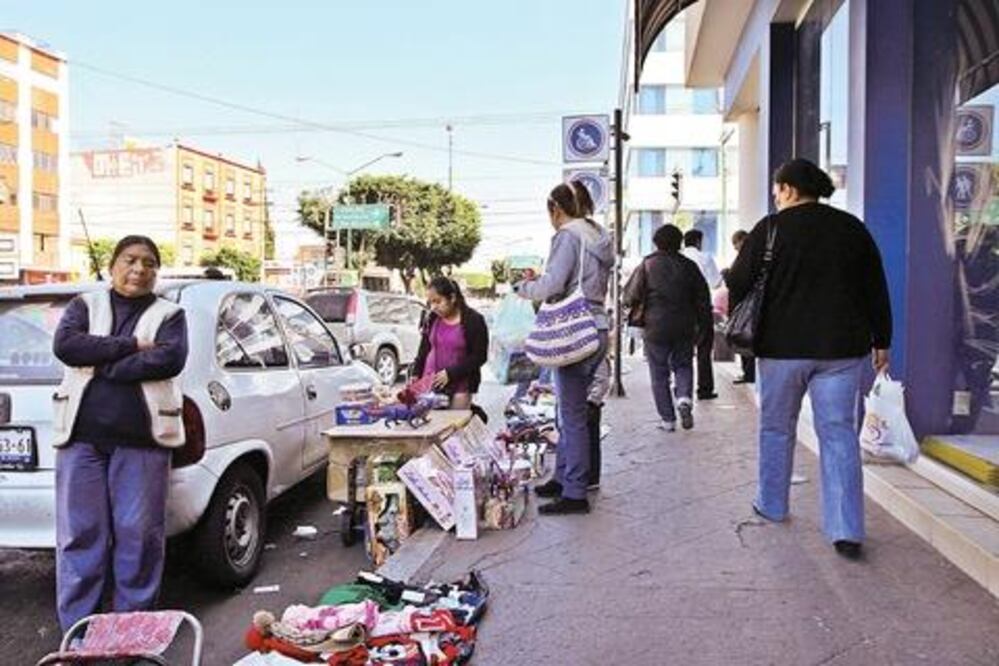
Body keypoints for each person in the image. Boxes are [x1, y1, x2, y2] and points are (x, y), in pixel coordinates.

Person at [725, 158, 892, 561]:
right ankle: (846, 530)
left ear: (787, 189)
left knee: (776, 428)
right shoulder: (851, 229)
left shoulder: (769, 230)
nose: (774, 195)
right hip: (840, 349)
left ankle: (773, 503)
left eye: (776, 188)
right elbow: (875, 286)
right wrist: (881, 339)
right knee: (838, 435)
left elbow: (739, 283)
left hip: (781, 349)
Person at [51, 235, 189, 631]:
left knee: (140, 538)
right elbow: (67, 345)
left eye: (149, 263)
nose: (139, 269)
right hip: (81, 441)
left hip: (142, 443)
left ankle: (131, 635)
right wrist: (131, 346)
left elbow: (169, 357)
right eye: (130, 260)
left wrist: (107, 366)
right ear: (113, 265)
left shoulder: (170, 314)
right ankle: (80, 635)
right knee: (80, 538)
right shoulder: (85, 305)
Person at [515, 182, 613, 515]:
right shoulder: (598, 235)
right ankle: (562, 477)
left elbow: (554, 284)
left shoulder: (567, 236)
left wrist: (523, 287)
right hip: (597, 328)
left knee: (571, 417)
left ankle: (574, 492)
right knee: (571, 412)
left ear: (556, 208)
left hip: (573, 330)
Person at [625, 224, 711, 431]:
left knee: (659, 372)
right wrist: (703, 325)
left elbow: (630, 295)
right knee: (683, 364)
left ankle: (668, 420)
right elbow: (703, 298)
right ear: (679, 242)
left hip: (655, 326)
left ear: (656, 243)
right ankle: (684, 398)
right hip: (684, 324)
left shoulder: (647, 265)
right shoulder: (689, 266)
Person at [413, 276, 489, 410]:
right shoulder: (431, 318)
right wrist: (416, 373)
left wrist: (451, 373)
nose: (434, 307)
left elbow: (479, 356)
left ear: (452, 298)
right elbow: (424, 348)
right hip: (430, 384)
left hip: (460, 387)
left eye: (438, 301)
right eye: (431, 302)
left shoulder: (474, 321)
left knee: (454, 427)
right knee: (430, 426)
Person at [682, 229, 721, 400]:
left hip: (681, 309)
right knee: (704, 350)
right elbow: (716, 283)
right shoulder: (705, 258)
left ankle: (682, 389)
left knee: (682, 350)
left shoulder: (679, 258)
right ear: (699, 241)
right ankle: (704, 389)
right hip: (702, 308)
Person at [730, 229, 755, 384]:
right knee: (744, 338)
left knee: (745, 337)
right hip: (744, 306)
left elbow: (736, 281)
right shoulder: (745, 258)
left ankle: (749, 373)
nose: (735, 247)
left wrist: (728, 276)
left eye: (736, 243)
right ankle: (748, 372)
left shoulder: (746, 259)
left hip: (744, 307)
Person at [587, 356, 611, 490]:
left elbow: (602, 380)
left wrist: (592, 400)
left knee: (589, 439)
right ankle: (590, 476)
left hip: (589, 402)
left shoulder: (596, 347)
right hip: (588, 400)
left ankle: (591, 477)